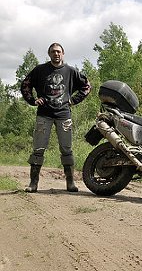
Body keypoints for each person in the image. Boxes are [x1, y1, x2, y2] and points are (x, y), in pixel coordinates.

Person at [20, 42, 91, 193]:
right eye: (53, 52)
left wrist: (73, 100)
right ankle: (33, 183)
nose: (56, 54)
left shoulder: (71, 71)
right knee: (38, 149)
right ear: (49, 54)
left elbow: (87, 86)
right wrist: (33, 101)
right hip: (44, 115)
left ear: (63, 54)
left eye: (58, 51)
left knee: (67, 149)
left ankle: (70, 183)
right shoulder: (40, 70)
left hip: (63, 114)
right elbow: (25, 85)